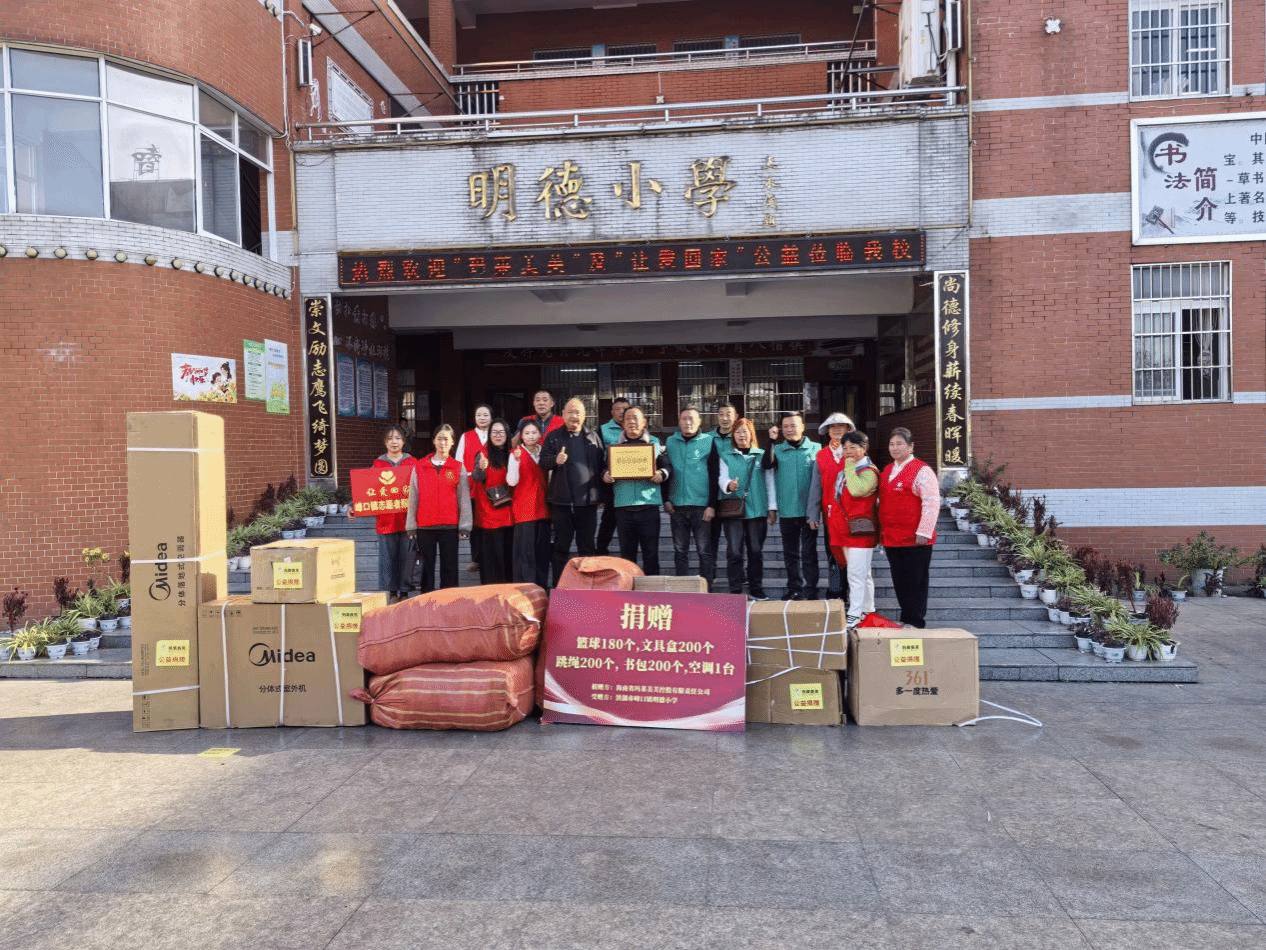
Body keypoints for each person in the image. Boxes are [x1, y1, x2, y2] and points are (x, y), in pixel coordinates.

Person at [878, 426, 940, 628]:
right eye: (891, 444)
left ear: (911, 447)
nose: (894, 448)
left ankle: (915, 620)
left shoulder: (922, 470)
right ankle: (906, 616)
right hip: (892, 538)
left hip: (915, 539)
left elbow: (931, 502)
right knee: (900, 580)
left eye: (899, 444)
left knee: (916, 580)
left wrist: (924, 531)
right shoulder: (887, 470)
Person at [539, 398, 605, 585]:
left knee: (587, 548)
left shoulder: (593, 437)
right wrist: (555, 460)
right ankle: (559, 587)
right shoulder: (553, 436)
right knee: (561, 547)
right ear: (563, 415)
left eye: (578, 412)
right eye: (570, 412)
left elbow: (601, 466)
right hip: (562, 503)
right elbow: (543, 461)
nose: (574, 416)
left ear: (584, 416)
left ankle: (587, 587)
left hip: (587, 503)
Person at [603, 406, 670, 575]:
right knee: (627, 556)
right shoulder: (615, 447)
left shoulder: (654, 443)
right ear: (622, 424)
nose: (632, 422)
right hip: (623, 507)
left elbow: (667, 466)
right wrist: (605, 475)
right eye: (628, 419)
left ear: (644, 422)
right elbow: (603, 468)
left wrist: (662, 474)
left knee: (651, 553)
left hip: (648, 506)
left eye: (636, 418)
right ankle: (629, 589)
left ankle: (652, 589)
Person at [406, 424, 472, 594]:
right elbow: (413, 496)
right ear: (434, 441)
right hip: (424, 525)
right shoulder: (419, 466)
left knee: (450, 568)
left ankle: (449, 601)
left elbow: (464, 498)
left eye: (446, 439)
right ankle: (426, 600)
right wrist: (411, 524)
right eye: (439, 439)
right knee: (426, 569)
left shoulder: (458, 467)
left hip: (449, 526)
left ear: (452, 443)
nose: (443, 443)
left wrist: (465, 525)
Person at [763, 412, 820, 600]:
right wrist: (771, 441)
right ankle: (794, 588)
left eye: (793, 425)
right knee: (791, 554)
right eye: (785, 426)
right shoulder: (778, 449)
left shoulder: (816, 449)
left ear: (802, 427)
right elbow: (766, 465)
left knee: (809, 552)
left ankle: (811, 589)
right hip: (787, 511)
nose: (789, 430)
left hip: (808, 512)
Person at [826, 430, 879, 628]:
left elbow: (856, 490)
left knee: (855, 575)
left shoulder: (869, 472)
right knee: (863, 574)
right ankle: (868, 610)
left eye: (853, 447)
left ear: (864, 449)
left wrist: (848, 465)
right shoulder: (848, 470)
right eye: (845, 447)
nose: (848, 451)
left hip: (860, 531)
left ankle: (854, 613)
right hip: (847, 530)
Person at [716, 418, 769, 600]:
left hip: (757, 511)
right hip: (734, 511)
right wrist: (728, 485)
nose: (741, 435)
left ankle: (756, 588)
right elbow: (721, 477)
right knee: (734, 552)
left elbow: (769, 482)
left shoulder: (761, 455)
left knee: (755, 551)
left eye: (744, 431)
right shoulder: (726, 455)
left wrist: (772, 508)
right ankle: (735, 589)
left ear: (751, 434)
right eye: (737, 432)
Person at [664, 406, 717, 585]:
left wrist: (711, 505)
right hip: (677, 506)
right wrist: (666, 499)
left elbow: (714, 474)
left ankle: (706, 588)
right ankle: (682, 589)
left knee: (704, 551)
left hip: (701, 506)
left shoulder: (708, 441)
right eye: (684, 419)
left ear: (700, 421)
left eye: (692, 419)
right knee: (680, 551)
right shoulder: (670, 442)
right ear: (679, 421)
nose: (688, 422)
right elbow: (665, 469)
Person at [807, 411, 856, 602]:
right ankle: (836, 593)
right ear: (827, 431)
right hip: (830, 516)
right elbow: (815, 487)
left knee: (853, 556)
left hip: (852, 516)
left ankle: (854, 594)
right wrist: (813, 515)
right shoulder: (821, 455)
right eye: (832, 427)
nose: (836, 430)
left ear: (848, 430)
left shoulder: (856, 453)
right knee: (833, 554)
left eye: (841, 426)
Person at [369, 424, 416, 604]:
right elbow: (367, 489)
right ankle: (392, 591)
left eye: (397, 438)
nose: (394, 442)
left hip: (407, 519)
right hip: (385, 520)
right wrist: (353, 506)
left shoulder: (412, 463)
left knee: (406, 556)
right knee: (387, 558)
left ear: (403, 441)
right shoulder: (378, 463)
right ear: (385, 442)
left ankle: (404, 591)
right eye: (390, 439)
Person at [507, 419, 551, 588]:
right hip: (524, 509)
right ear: (521, 436)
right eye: (526, 433)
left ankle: (541, 589)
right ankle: (525, 590)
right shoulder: (515, 453)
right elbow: (511, 481)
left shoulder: (545, 453)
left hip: (543, 508)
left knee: (542, 552)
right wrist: (517, 461)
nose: (531, 436)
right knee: (525, 554)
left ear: (540, 434)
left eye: (534, 432)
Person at [470, 419, 514, 584]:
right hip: (489, 511)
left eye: (501, 432)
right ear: (489, 435)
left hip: (509, 510)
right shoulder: (482, 453)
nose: (498, 435)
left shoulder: (512, 453)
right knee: (491, 556)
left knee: (507, 554)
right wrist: (480, 468)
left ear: (507, 435)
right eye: (494, 432)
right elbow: (477, 477)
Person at [457, 404, 492, 574]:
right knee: (476, 523)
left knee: (490, 521)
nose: (482, 418)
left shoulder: (495, 435)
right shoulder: (466, 436)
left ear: (491, 417)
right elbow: (459, 461)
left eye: (485, 415)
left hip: (492, 485)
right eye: (479, 415)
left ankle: (489, 557)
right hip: (472, 485)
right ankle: (476, 558)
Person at [706, 401, 739, 577]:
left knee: (735, 541)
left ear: (736, 417)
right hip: (712, 496)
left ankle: (737, 574)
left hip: (734, 496)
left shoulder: (741, 436)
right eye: (721, 414)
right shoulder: (707, 438)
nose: (725, 418)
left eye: (729, 414)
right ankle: (710, 573)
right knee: (711, 539)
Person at [596, 397, 629, 556]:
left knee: (627, 522)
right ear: (612, 412)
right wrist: (603, 474)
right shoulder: (603, 430)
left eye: (625, 409)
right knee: (608, 520)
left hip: (631, 483)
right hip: (611, 483)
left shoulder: (636, 427)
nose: (621, 412)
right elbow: (597, 457)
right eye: (618, 409)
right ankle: (601, 552)